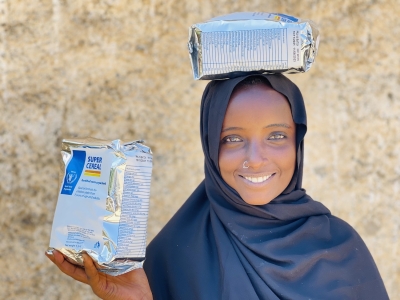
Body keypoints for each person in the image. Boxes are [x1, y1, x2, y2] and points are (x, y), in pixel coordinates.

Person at [46, 74, 389, 299]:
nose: (255, 158)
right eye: (233, 138)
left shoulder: (340, 250)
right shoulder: (175, 255)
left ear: (298, 142)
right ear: (210, 146)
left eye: (277, 136)